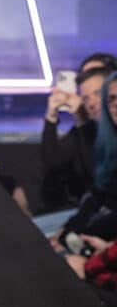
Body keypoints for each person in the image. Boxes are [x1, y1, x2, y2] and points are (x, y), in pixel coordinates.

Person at [41, 56, 116, 209]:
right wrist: (51, 116)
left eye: (98, 93)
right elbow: (53, 160)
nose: (92, 102)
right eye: (86, 97)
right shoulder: (85, 127)